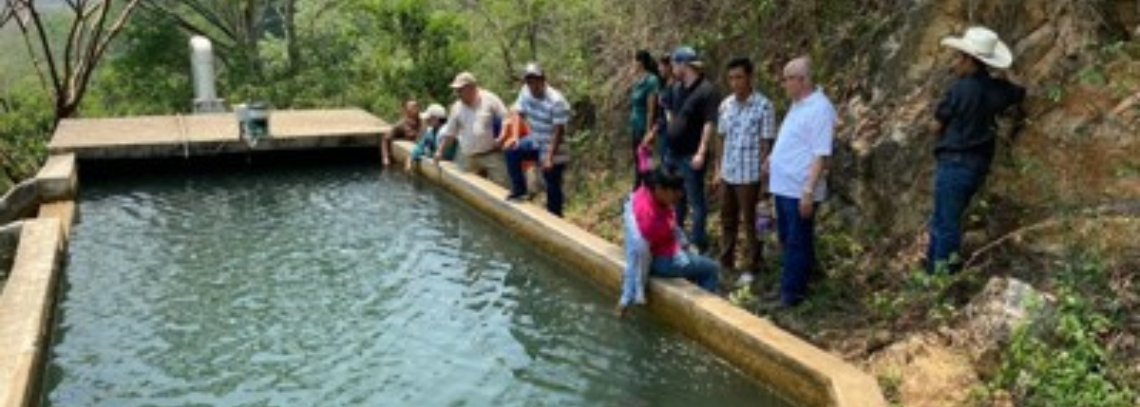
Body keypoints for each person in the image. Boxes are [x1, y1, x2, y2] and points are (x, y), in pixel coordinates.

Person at [927, 27, 1026, 273]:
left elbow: (935, 126)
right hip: (978, 165)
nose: (954, 63)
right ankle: (934, 273)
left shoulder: (959, 89)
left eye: (958, 57)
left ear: (970, 60)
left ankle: (939, 277)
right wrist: (1004, 73)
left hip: (954, 162)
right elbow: (1019, 90)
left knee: (944, 223)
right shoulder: (998, 90)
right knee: (947, 221)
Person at [766, 57, 836, 308]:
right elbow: (793, 140)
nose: (783, 83)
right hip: (783, 185)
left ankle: (791, 295)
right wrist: (772, 158)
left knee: (797, 241)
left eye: (787, 78)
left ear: (802, 80)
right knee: (787, 238)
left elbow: (820, 152)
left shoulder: (820, 108)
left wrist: (808, 190)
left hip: (799, 188)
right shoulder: (798, 105)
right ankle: (789, 286)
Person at [715, 57, 776, 286]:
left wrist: (764, 180)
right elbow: (721, 138)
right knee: (727, 219)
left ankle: (752, 266)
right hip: (728, 172)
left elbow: (767, 143)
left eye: (739, 77)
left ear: (750, 77)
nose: (735, 83)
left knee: (752, 222)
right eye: (731, 78)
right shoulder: (726, 105)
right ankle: (725, 262)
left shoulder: (764, 106)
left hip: (750, 175)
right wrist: (718, 169)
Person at [663, 46, 720, 254]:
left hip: (691, 154)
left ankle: (697, 242)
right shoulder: (677, 88)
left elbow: (709, 123)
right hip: (672, 153)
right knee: (675, 198)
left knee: (696, 200)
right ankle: (675, 237)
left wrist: (702, 152)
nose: (672, 69)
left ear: (684, 65)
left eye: (674, 65)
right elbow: (671, 110)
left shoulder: (707, 90)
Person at [631, 167, 720, 297]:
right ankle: (702, 308)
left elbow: (672, 227)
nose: (680, 194)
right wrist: (638, 289)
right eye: (675, 191)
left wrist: (685, 246)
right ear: (660, 189)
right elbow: (642, 254)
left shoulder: (646, 191)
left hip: (667, 249)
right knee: (712, 269)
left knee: (696, 259)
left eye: (680, 189)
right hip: (661, 260)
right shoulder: (649, 219)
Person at [504, 63, 572, 216]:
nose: (532, 85)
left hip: (554, 145)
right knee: (512, 150)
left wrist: (549, 157)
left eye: (535, 81)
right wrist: (514, 137)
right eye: (529, 81)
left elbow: (558, 131)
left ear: (543, 80)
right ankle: (519, 190)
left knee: (552, 183)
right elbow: (517, 113)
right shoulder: (525, 91)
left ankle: (555, 215)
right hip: (535, 140)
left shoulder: (556, 101)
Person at [435, 72, 510, 186]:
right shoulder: (456, 107)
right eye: (456, 90)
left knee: (502, 186)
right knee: (464, 188)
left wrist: (502, 137)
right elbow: (450, 134)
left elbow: (507, 119)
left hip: (491, 153)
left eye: (460, 90)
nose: (457, 93)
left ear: (471, 87)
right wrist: (440, 151)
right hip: (469, 156)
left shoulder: (490, 99)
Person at [629, 50, 662, 189]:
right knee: (638, 161)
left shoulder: (651, 80)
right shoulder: (638, 80)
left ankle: (647, 190)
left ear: (640, 62)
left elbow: (651, 109)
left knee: (646, 162)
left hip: (644, 126)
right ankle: (639, 192)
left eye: (634, 61)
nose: (632, 64)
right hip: (635, 126)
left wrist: (649, 132)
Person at [405, 103, 456, 172]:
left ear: (436, 119)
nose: (427, 120)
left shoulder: (447, 132)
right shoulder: (431, 131)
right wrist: (410, 159)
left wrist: (428, 152)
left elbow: (445, 155)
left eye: (429, 118)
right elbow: (420, 146)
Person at [382, 99, 422, 167]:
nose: (415, 109)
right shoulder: (401, 124)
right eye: (412, 107)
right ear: (406, 110)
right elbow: (385, 139)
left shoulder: (423, 122)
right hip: (412, 152)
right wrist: (385, 157)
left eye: (416, 106)